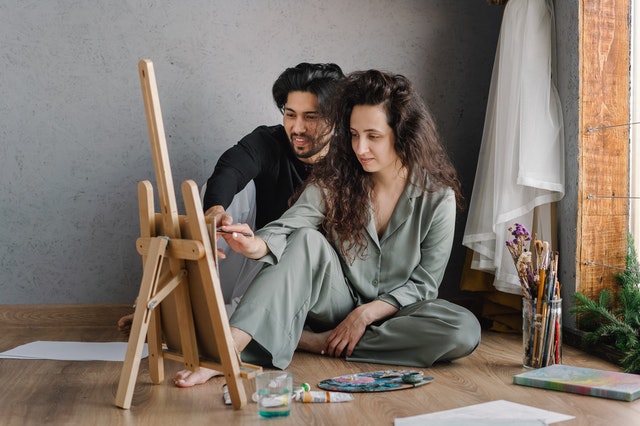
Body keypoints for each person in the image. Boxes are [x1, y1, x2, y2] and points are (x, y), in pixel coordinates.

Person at [174, 69, 481, 387]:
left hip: (394, 315)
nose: (360, 148)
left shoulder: (436, 197)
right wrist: (254, 245)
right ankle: (228, 350)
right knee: (307, 240)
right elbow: (290, 224)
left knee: (463, 329)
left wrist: (365, 315)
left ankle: (308, 341)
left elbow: (424, 284)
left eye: (373, 136)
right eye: (353, 134)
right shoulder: (335, 179)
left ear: (402, 134)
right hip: (336, 300)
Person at [117, 62, 344, 334]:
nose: (297, 128)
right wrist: (213, 212)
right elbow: (231, 168)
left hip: (308, 282)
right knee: (223, 194)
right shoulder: (270, 141)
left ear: (335, 119)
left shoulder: (351, 162)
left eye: (311, 117)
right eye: (290, 114)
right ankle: (183, 304)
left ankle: (218, 321)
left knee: (293, 242)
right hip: (251, 257)